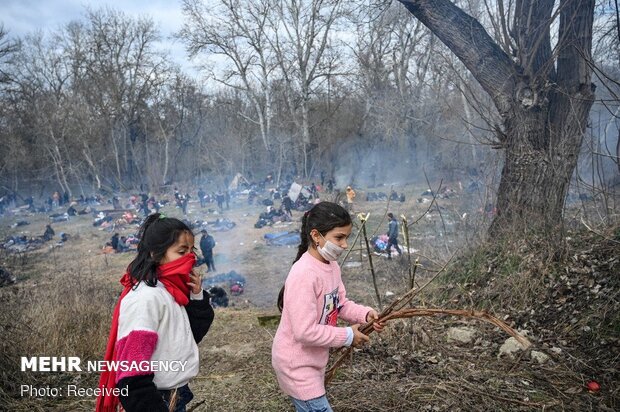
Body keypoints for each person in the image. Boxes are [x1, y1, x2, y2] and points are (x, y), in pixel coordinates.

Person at [272, 202, 384, 412]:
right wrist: (348, 336)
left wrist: (365, 314)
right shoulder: (304, 274)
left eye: (347, 237)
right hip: (296, 365)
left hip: (313, 361)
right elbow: (304, 332)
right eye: (339, 237)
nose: (344, 244)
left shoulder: (331, 266)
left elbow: (339, 305)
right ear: (316, 236)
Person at [96, 213, 214, 412]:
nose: (190, 258)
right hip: (155, 399)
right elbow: (132, 375)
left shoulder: (170, 290)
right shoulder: (145, 298)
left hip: (175, 393)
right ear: (154, 253)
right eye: (181, 251)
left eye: (191, 250)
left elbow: (189, 336)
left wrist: (197, 298)